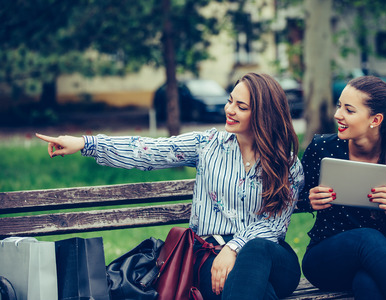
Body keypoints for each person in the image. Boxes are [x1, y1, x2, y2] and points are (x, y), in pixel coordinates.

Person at [36, 72, 304, 300]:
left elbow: (273, 226)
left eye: (241, 106)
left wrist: (234, 248)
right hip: (209, 255)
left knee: (254, 250)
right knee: (253, 288)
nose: (229, 110)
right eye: (230, 100)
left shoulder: (287, 165)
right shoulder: (208, 146)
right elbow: (148, 150)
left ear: (264, 114)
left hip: (271, 259)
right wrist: (87, 144)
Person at [298, 75, 386, 300]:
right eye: (339, 106)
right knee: (366, 237)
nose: (338, 114)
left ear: (375, 120)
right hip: (329, 254)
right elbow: (288, 200)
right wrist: (308, 201)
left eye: (349, 110)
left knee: (367, 283)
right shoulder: (322, 148)